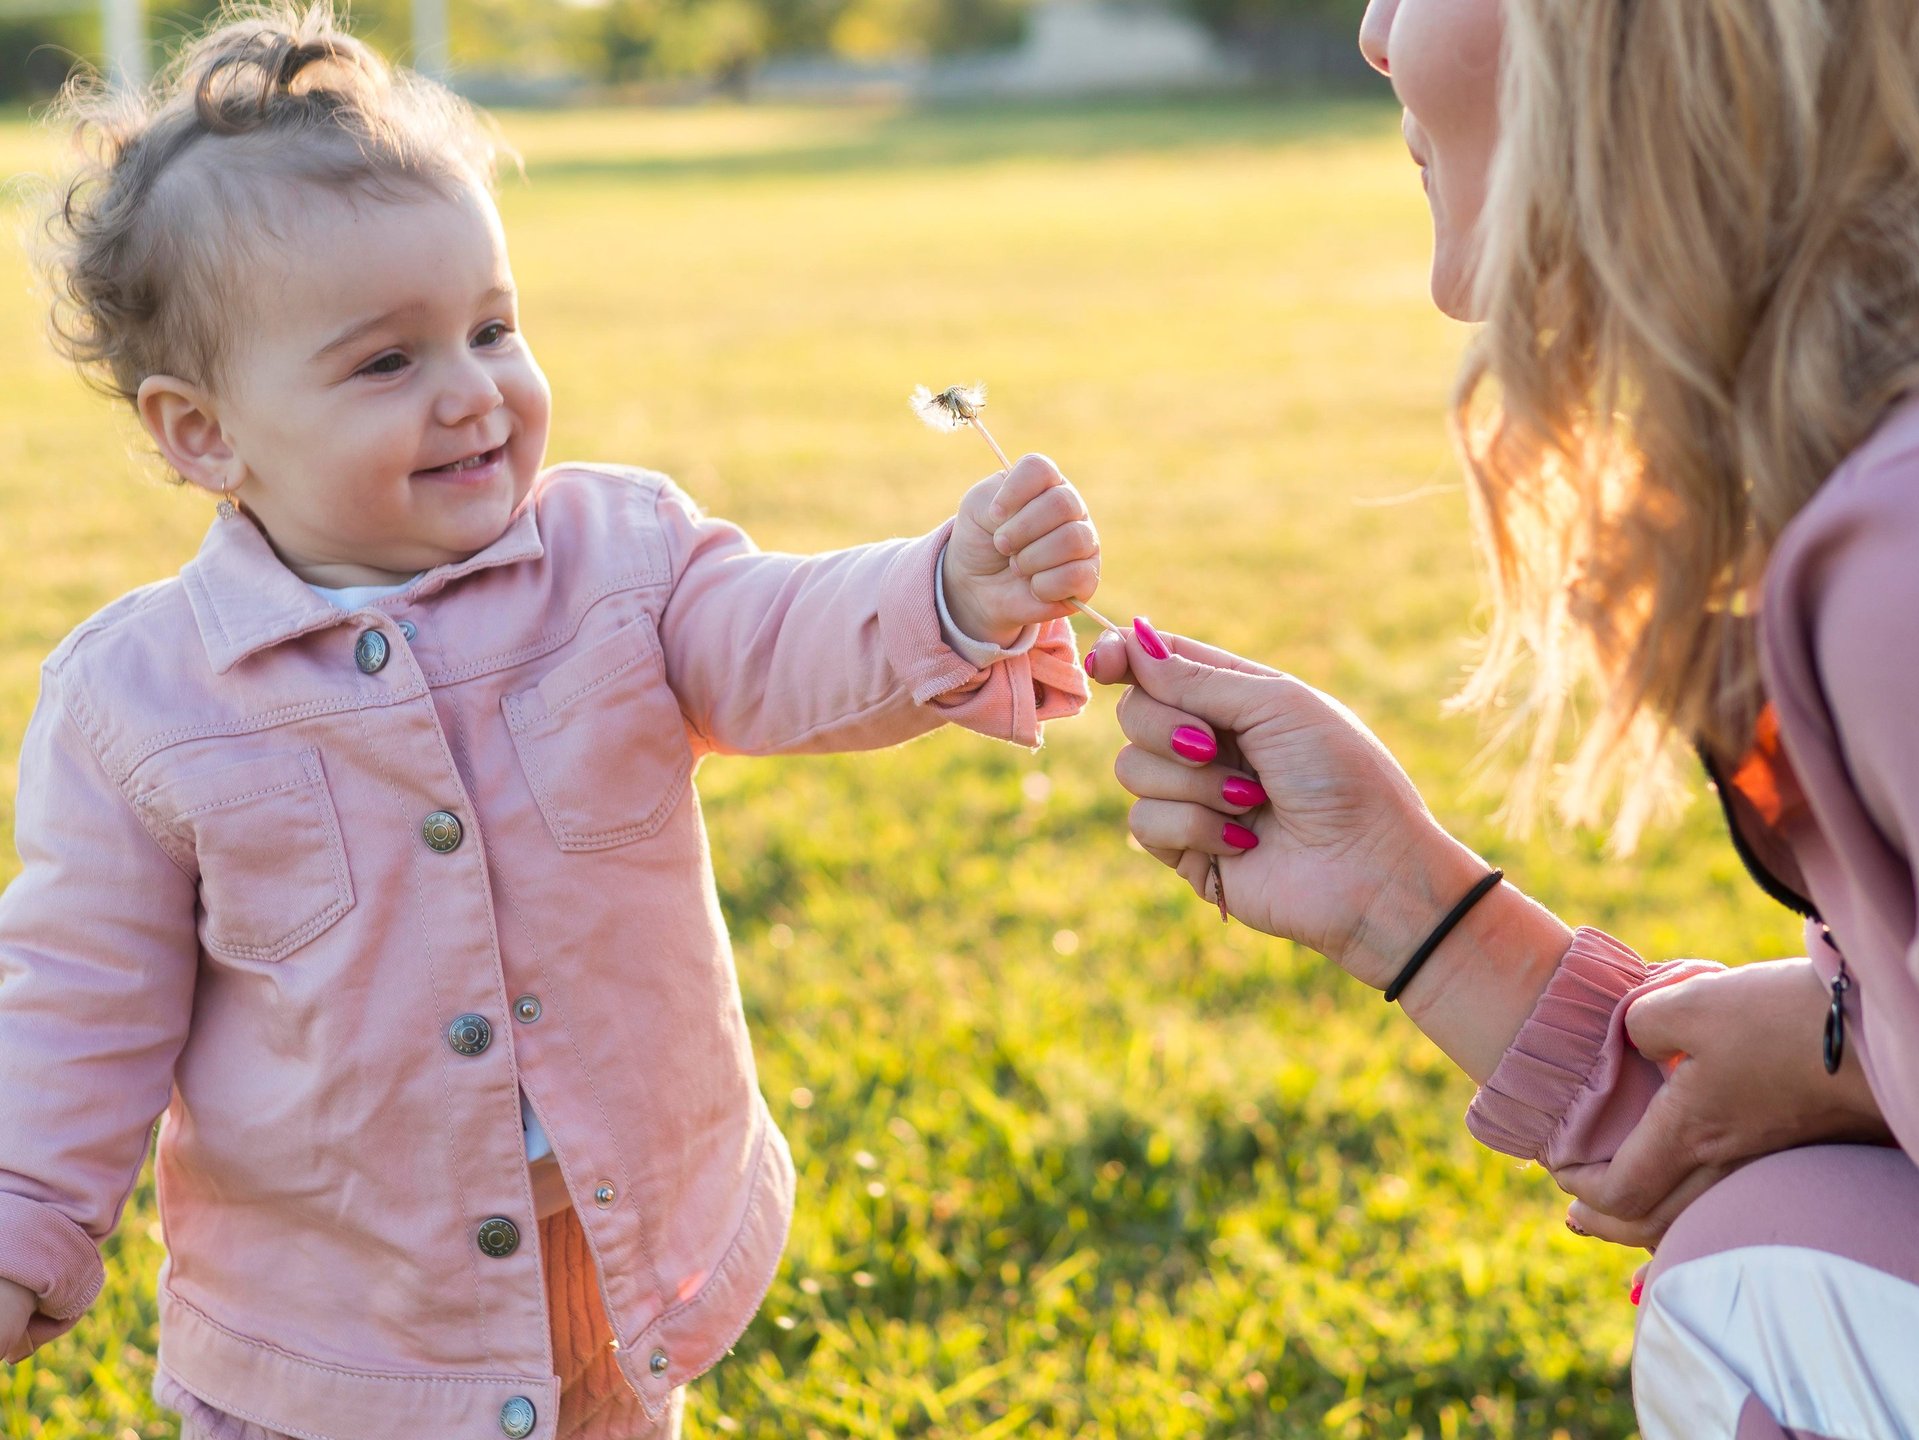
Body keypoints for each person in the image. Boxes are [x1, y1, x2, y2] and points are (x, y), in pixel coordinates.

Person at [0, 7, 1102, 1437]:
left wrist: (949, 589)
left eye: (492, 328)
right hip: (329, 1325)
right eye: (386, 364)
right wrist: (24, 1219)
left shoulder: (620, 561)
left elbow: (778, 638)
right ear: (202, 431)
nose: (472, 393)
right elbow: (78, 1003)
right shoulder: (135, 705)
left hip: (602, 1261)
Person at [1085, 0, 1919, 1436]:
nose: (1372, 30)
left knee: (1763, 1300)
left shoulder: (1895, 556)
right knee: (1783, 1232)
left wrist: (1847, 1045)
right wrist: (1396, 901)